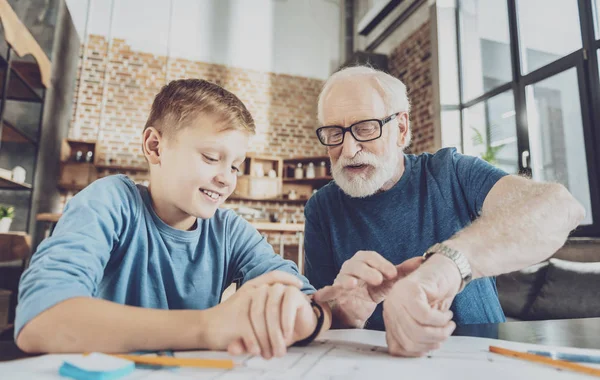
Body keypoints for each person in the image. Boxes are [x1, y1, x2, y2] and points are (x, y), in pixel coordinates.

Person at [16, 79, 330, 359]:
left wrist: (308, 309)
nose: (226, 179)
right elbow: (40, 319)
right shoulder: (110, 201)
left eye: (235, 166)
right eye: (210, 157)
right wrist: (209, 326)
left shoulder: (229, 230)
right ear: (155, 147)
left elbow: (309, 303)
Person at [305, 66, 584, 357]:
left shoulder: (450, 172)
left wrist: (450, 265)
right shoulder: (321, 209)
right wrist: (345, 313)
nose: (348, 149)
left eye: (365, 128)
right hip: (378, 366)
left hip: (483, 363)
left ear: (401, 129)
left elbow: (560, 207)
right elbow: (324, 322)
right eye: (334, 132)